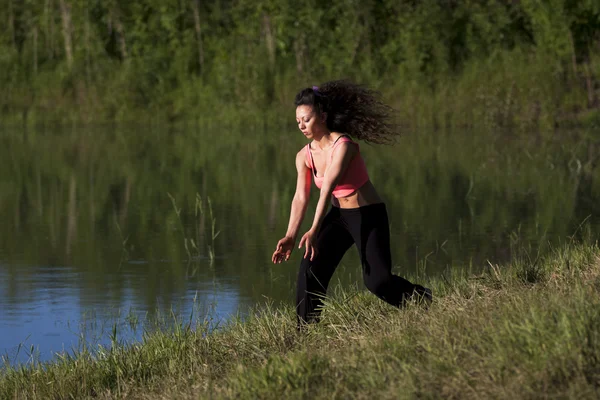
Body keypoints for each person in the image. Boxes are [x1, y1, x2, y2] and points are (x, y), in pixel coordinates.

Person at [271, 80, 432, 327]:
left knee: (377, 282)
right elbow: (300, 196)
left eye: (307, 119)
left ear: (323, 116)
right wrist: (291, 235)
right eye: (298, 122)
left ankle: (421, 298)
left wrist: (314, 229)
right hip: (339, 216)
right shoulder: (303, 156)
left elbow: (327, 188)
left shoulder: (343, 145)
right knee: (310, 268)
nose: (302, 126)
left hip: (367, 214)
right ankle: (306, 332)